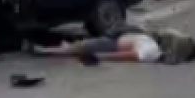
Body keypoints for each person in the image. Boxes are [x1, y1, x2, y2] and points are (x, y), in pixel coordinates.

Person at [28, 32, 164, 64]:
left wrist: (100, 57)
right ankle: (65, 47)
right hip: (112, 40)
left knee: (80, 47)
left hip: (111, 46)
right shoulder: (153, 44)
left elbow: (129, 55)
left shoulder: (149, 51)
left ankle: (44, 51)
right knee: (81, 44)